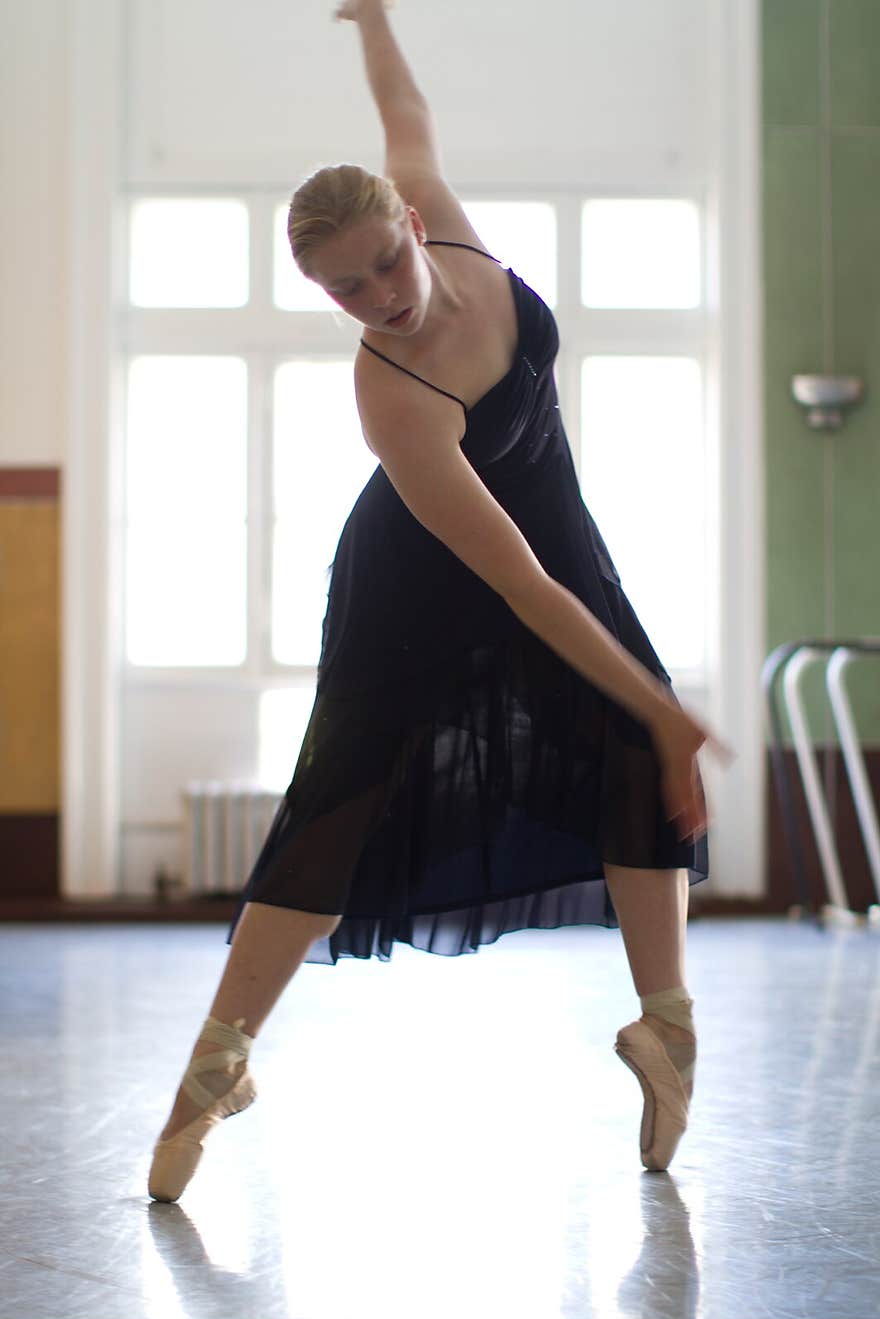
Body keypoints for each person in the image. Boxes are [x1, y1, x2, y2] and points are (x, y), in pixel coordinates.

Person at [148, 0, 735, 1204]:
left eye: (384, 263)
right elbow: (514, 583)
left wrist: (369, 17)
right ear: (324, 298)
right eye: (345, 292)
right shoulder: (392, 397)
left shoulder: (449, 225)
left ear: (415, 221)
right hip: (419, 574)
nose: (379, 296)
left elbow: (401, 111)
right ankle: (214, 1071)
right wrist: (669, 715)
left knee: (635, 736)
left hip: (546, 512)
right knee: (339, 801)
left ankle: (665, 1032)